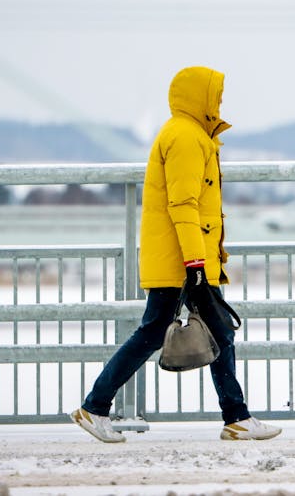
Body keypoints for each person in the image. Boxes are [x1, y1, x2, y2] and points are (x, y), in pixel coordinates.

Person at [71, 66, 282, 443]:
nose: (219, 102)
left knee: (212, 334)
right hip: (184, 262)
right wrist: (196, 265)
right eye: (216, 94)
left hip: (185, 258)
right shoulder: (186, 137)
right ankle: (95, 406)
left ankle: (236, 417)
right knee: (158, 333)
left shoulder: (189, 134)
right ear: (199, 96)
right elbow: (183, 205)